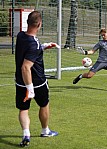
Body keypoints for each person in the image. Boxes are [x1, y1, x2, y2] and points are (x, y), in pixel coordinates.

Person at [15, 11, 58, 147]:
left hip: (20, 82)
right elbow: (25, 67)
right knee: (44, 104)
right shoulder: (33, 44)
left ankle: (26, 134)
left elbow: (30, 48)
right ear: (39, 24)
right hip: (37, 82)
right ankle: (45, 130)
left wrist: (44, 46)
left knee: (23, 109)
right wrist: (30, 89)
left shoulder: (21, 36)